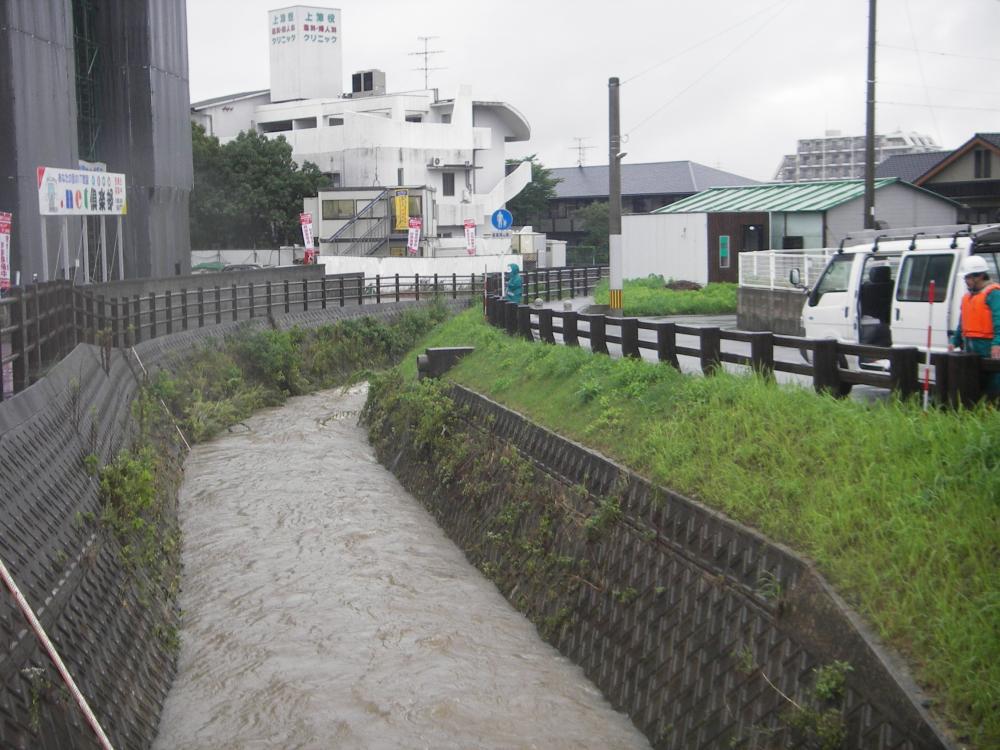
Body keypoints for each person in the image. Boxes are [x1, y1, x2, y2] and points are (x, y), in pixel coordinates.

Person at [949, 255, 1000, 396]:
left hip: (988, 346)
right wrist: (955, 341)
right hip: (970, 346)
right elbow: (962, 323)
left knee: (993, 383)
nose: (966, 281)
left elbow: (999, 320)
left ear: (979, 276)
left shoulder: (994, 294)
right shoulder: (968, 297)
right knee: (974, 383)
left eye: (968, 277)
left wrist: (997, 343)